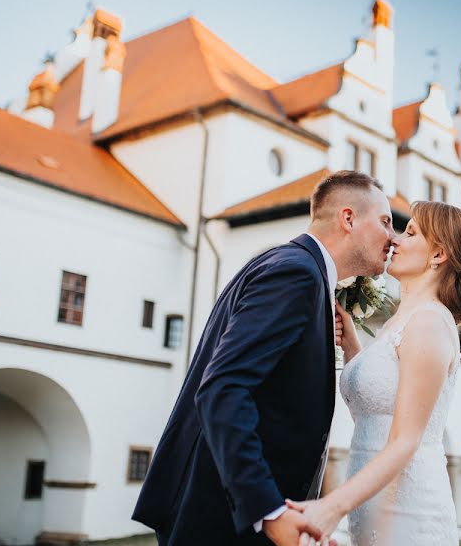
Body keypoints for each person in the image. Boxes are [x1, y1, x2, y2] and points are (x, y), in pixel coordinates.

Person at [132, 170, 395, 546]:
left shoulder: (295, 268)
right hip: (221, 520)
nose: (393, 237)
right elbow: (224, 387)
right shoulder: (296, 273)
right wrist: (267, 510)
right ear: (348, 218)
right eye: (385, 222)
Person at [287, 201, 461, 545]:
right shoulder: (396, 324)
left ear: (438, 255)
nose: (395, 240)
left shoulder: (429, 323)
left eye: (411, 233)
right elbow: (377, 414)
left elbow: (405, 440)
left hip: (409, 513)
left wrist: (331, 507)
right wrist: (352, 346)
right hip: (375, 510)